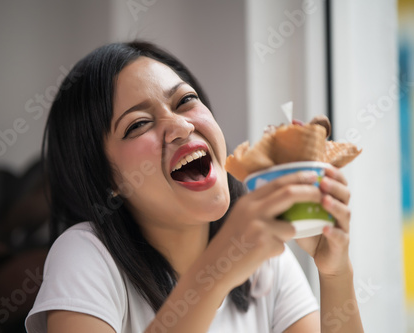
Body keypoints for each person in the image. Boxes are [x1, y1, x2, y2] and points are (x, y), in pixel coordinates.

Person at [25, 41, 364, 333]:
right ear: (106, 182)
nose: (181, 126)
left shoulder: (268, 263)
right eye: (139, 124)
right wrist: (216, 270)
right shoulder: (85, 255)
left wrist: (335, 271)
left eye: (185, 101)